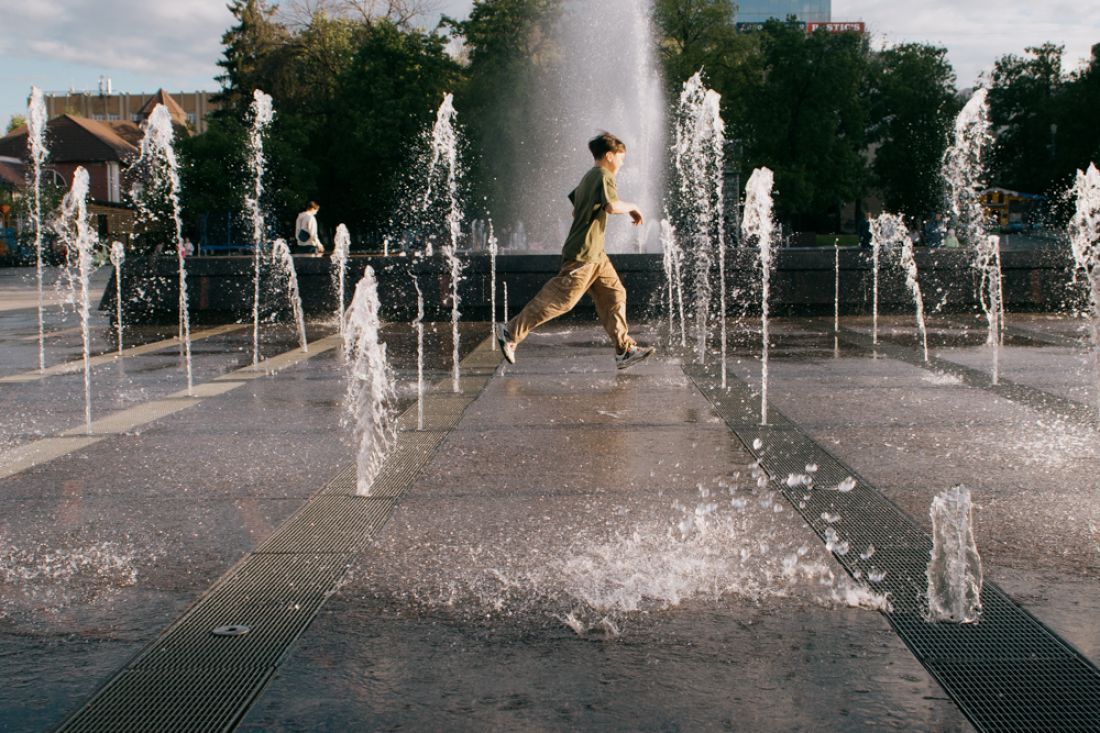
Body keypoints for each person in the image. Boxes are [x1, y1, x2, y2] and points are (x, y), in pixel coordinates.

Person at [496, 131, 655, 370]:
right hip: (584, 253)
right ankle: (510, 332)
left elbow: (575, 210)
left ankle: (625, 349)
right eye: (621, 158)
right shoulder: (603, 175)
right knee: (561, 301)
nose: (622, 163)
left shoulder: (587, 178)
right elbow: (611, 206)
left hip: (596, 255)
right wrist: (633, 207)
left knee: (615, 295)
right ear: (610, 156)